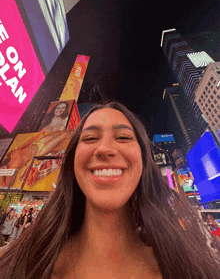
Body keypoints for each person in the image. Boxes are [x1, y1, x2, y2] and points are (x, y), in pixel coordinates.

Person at [0, 101, 220, 279]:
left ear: (144, 161)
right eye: (90, 138)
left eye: (123, 137)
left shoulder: (192, 269)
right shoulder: (15, 264)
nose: (104, 148)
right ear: (73, 161)